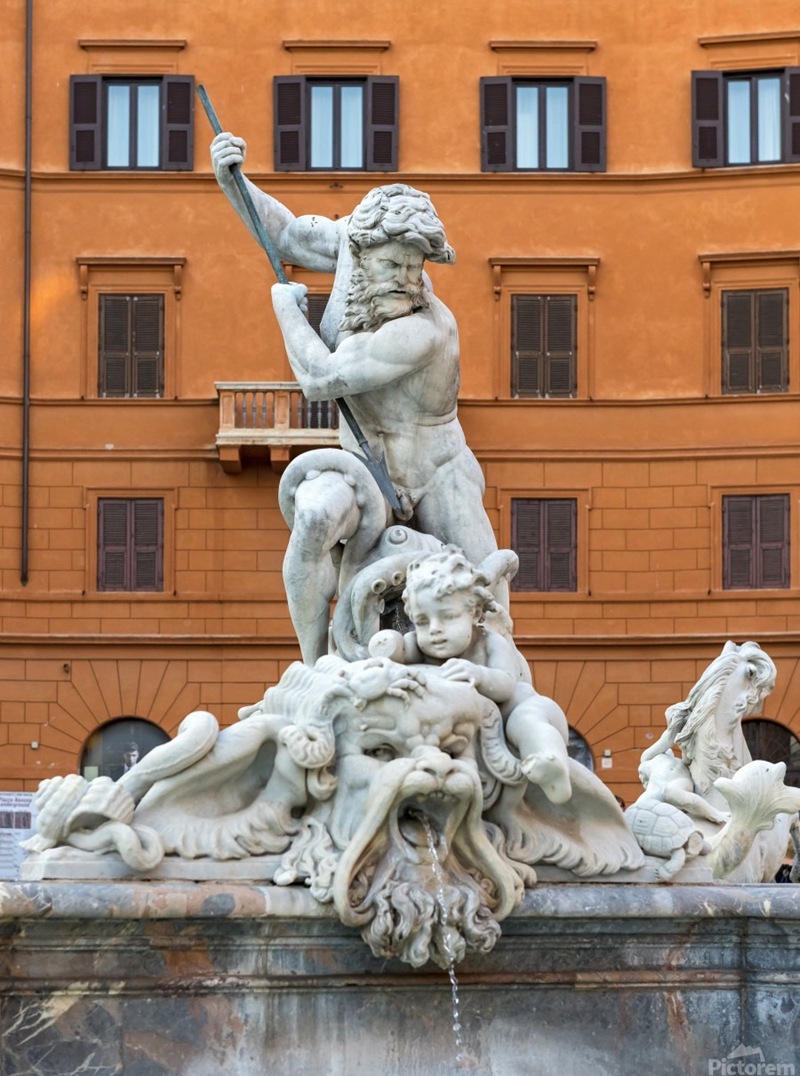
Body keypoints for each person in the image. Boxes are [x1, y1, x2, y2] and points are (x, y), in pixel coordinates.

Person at [211, 133, 502, 663]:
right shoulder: (349, 244)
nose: (407, 280)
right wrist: (232, 177)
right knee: (316, 518)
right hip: (361, 468)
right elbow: (283, 235)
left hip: (436, 470)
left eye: (416, 268)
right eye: (393, 266)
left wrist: (285, 310)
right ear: (361, 254)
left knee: (487, 601)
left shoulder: (424, 330)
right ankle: (313, 666)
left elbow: (321, 380)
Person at [368, 547, 572, 804]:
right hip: (467, 729)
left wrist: (479, 674)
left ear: (474, 613)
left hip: (516, 710)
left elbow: (507, 684)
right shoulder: (420, 645)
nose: (434, 630)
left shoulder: (490, 642)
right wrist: (387, 643)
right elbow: (399, 650)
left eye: (448, 617)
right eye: (422, 621)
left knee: (527, 721)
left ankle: (549, 763)